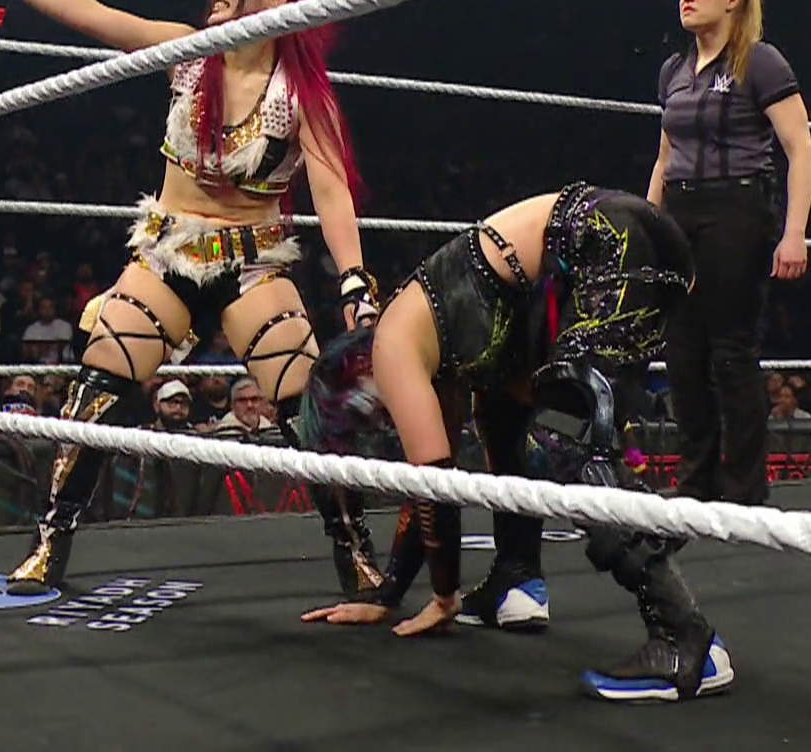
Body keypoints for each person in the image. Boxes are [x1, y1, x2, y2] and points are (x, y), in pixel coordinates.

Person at [0, 0, 379, 595]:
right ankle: (49, 539)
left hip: (252, 263)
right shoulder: (190, 54)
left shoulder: (300, 95)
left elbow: (330, 189)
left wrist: (354, 279)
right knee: (99, 383)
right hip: (168, 251)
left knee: (306, 407)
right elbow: (96, 16)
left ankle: (356, 551)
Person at [295, 184, 734, 702]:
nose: (381, 422)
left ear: (353, 380)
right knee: (502, 413)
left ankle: (683, 638)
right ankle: (516, 577)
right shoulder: (436, 342)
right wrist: (389, 594)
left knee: (565, 441)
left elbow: (433, 485)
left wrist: (443, 597)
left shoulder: (391, 343)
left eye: (365, 417)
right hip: (636, 244)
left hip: (611, 244)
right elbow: (433, 485)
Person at [648, 0, 811, 507]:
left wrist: (795, 232)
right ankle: (695, 483)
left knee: (730, 351)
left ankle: (744, 489)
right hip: (681, 209)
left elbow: (800, 149)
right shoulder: (674, 70)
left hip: (737, 208)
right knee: (682, 353)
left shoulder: (758, 61)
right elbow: (665, 156)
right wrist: (650, 225)